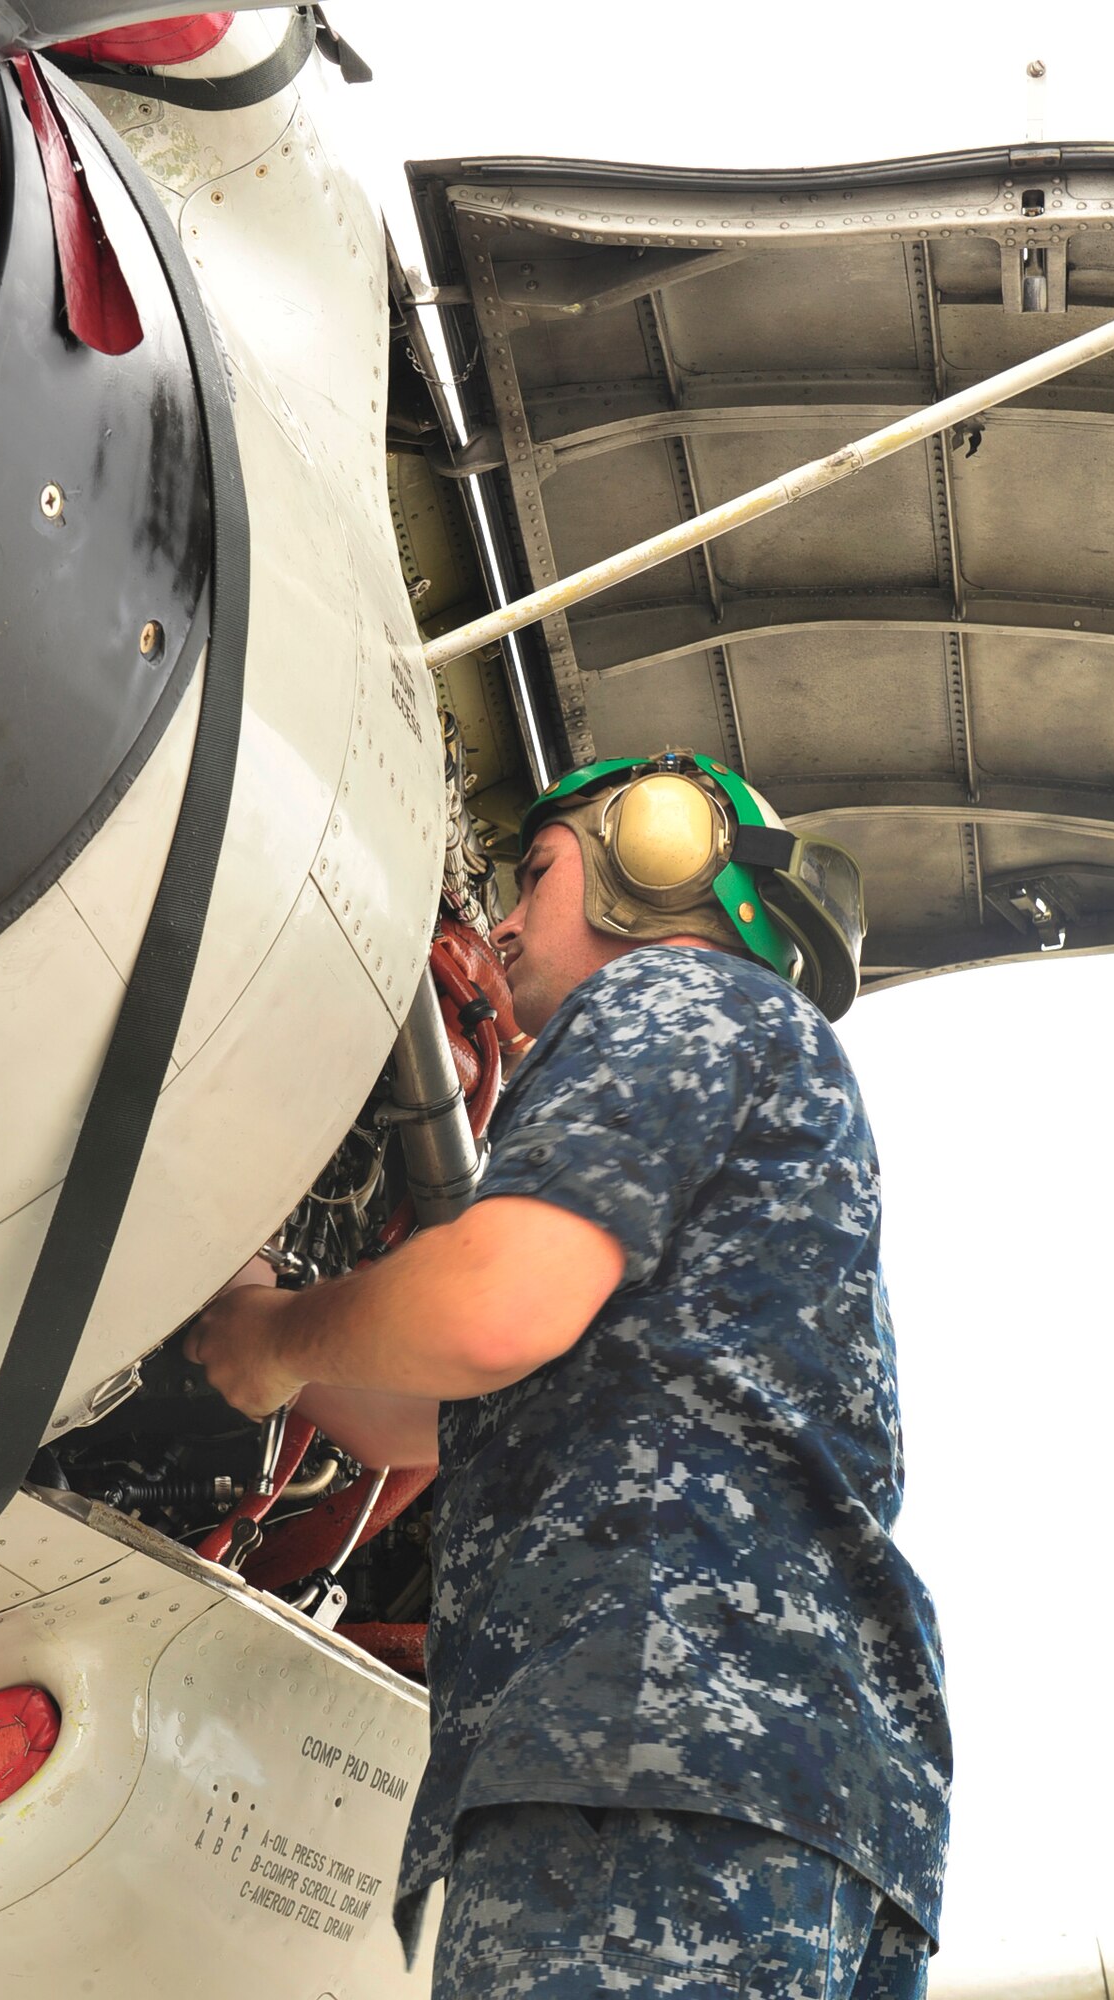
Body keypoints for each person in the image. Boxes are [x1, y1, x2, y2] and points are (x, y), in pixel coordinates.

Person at [186, 750, 951, 1999]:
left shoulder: (675, 997)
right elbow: (432, 1418)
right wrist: (261, 1338)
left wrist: (277, 1335)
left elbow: (492, 1306)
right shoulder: (759, 1067)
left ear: (651, 852)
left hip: (650, 1760)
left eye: (528, 874)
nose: (491, 921)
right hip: (792, 1798)